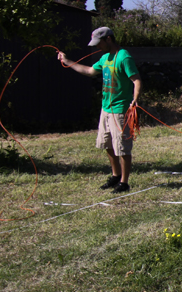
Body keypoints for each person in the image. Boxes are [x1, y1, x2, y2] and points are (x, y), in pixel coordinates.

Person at [58, 27, 142, 193]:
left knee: (122, 147)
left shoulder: (124, 57)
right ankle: (115, 175)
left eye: (99, 43)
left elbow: (136, 80)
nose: (97, 47)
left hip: (120, 110)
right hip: (106, 109)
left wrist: (135, 99)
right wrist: (67, 62)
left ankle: (124, 183)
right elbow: (90, 71)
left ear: (109, 39)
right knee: (107, 143)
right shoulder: (104, 58)